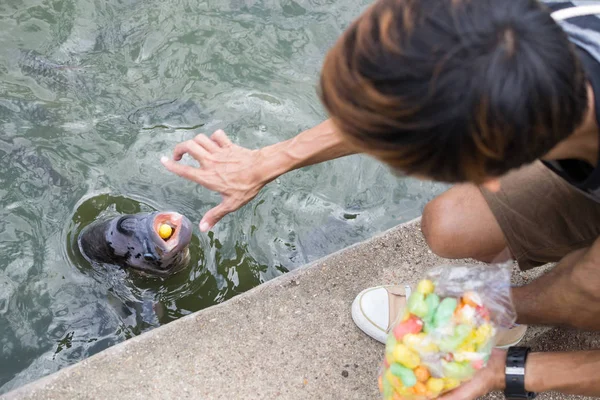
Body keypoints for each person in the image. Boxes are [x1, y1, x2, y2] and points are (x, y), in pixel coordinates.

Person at [160, 0, 600, 398]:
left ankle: (503, 309)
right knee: (453, 226)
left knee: (588, 284)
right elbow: (416, 98)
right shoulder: (529, 30)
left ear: (489, 175)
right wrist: (269, 160)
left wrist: (506, 372)